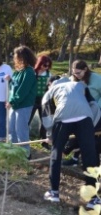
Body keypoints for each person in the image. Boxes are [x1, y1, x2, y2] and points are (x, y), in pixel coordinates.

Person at [42, 76, 100, 208]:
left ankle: (54, 193)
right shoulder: (80, 86)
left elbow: (46, 114)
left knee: (56, 154)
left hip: (63, 118)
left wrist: (50, 134)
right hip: (85, 119)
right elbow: (94, 105)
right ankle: (93, 199)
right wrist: (91, 125)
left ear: (51, 84)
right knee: (89, 157)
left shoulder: (51, 91)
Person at [62, 60, 101, 166]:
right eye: (74, 73)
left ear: (85, 69)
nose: (76, 75)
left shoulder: (96, 79)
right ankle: (74, 158)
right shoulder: (73, 79)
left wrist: (97, 106)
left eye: (78, 73)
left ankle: (69, 153)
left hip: (95, 114)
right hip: (79, 113)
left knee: (87, 137)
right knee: (77, 134)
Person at [6, 46, 37, 159]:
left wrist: (12, 101)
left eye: (16, 56)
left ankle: (25, 154)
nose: (14, 58)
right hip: (15, 104)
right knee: (11, 129)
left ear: (22, 57)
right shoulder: (18, 72)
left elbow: (23, 90)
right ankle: (14, 151)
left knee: (21, 130)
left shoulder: (29, 72)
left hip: (23, 105)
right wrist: (10, 80)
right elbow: (13, 87)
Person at [28, 55, 52, 150]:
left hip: (44, 100)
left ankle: (44, 142)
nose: (45, 67)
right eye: (44, 65)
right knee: (27, 120)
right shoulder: (33, 73)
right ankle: (24, 139)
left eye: (47, 66)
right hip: (32, 99)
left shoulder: (49, 74)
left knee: (45, 121)